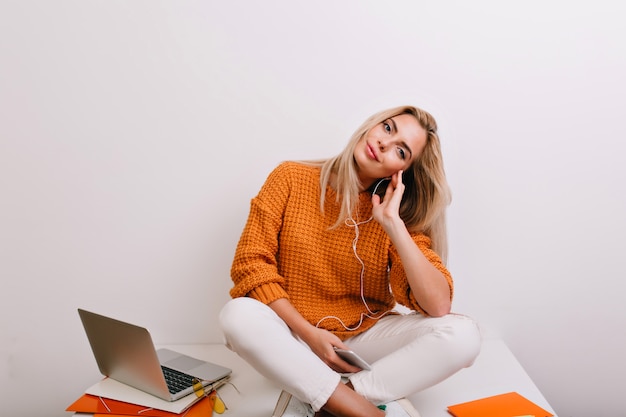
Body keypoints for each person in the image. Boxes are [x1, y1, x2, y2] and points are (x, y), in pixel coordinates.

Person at [219, 105, 481, 417]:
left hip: (359, 341)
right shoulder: (290, 177)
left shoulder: (394, 214)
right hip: (293, 336)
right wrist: (310, 335)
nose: (385, 143)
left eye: (401, 150)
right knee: (237, 314)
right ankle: (364, 411)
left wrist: (394, 225)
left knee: (464, 336)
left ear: (402, 172)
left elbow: (438, 307)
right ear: (372, 125)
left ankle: (338, 399)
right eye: (387, 128)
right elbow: (250, 265)